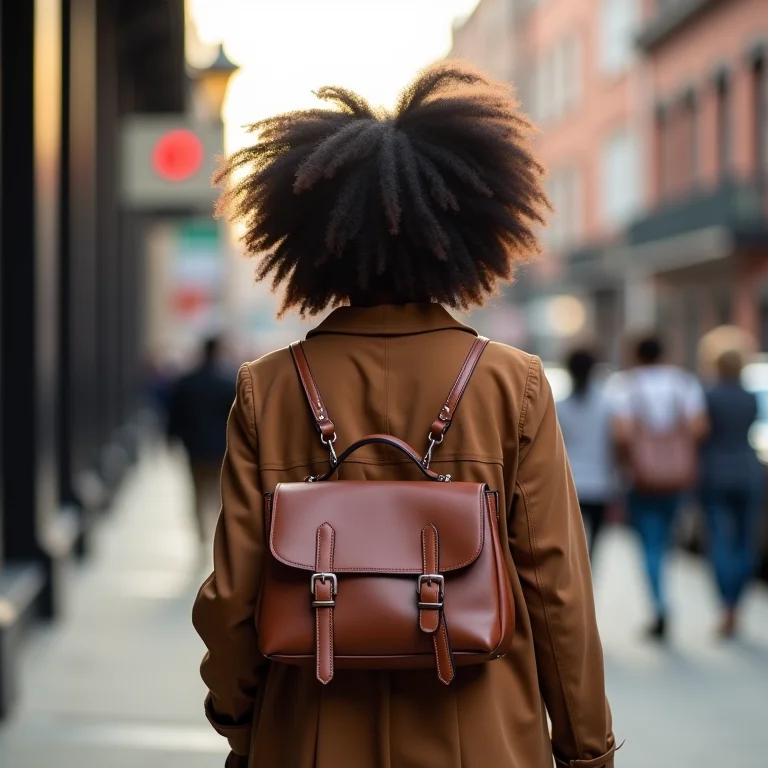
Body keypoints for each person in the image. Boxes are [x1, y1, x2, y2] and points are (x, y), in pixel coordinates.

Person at [192, 63, 617, 768]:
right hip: (482, 737)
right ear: (468, 232)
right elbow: (555, 590)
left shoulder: (269, 388)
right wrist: (586, 747)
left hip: (309, 735)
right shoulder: (514, 384)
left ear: (309, 237)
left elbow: (235, 593)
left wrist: (241, 719)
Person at [612, 335, 707, 641]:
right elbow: (698, 428)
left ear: (635, 355)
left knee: (649, 543)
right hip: (676, 478)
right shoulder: (682, 383)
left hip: (641, 479)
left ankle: (660, 605)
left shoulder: (626, 386)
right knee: (666, 541)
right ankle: (663, 597)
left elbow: (622, 435)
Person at [701, 348, 763, 637]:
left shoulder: (709, 396)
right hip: (748, 470)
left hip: (715, 472)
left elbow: (702, 433)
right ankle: (737, 605)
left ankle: (726, 605)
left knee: (719, 541)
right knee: (744, 542)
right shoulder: (750, 397)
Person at [167, 337, 235, 543]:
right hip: (220, 450)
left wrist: (171, 439)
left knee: (196, 492)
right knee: (219, 493)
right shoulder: (227, 383)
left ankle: (201, 536)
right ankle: (216, 535)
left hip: (194, 447)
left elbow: (174, 414)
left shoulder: (187, 382)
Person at [557, 349, 615, 559]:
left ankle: (576, 584)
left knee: (572, 546)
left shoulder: (559, 406)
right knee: (593, 547)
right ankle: (589, 583)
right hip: (600, 482)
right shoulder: (608, 404)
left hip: (569, 483)